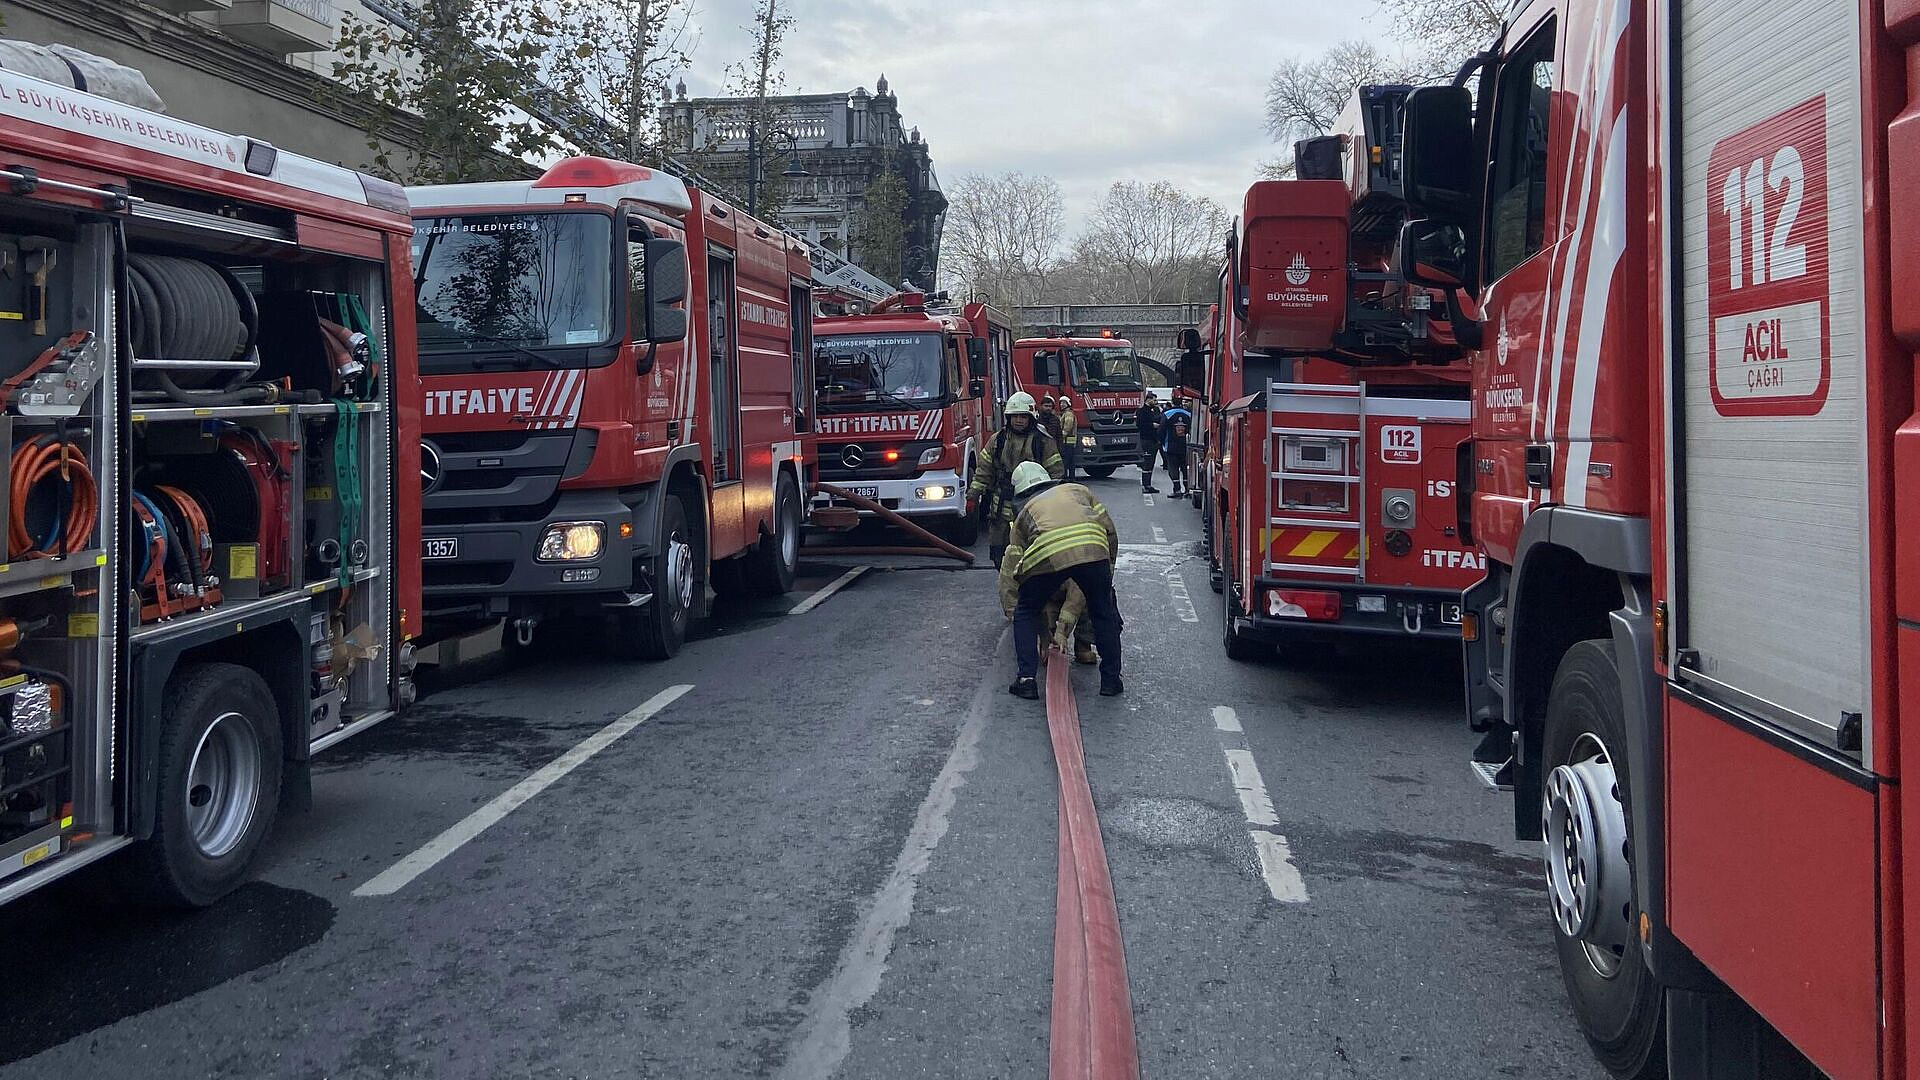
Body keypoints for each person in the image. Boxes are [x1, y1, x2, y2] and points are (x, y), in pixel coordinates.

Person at [1002, 461, 1124, 699]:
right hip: (1093, 549)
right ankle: (1110, 680)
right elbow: (1109, 530)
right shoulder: (1078, 490)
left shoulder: (1024, 513)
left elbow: (1017, 569)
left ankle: (1026, 680)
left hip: (1048, 553)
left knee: (1026, 610)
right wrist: (1106, 569)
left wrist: (1041, 629)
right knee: (1103, 611)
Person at [967, 391, 1064, 567]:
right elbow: (984, 470)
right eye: (1015, 416)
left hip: (1032, 503)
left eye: (1023, 416)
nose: (1019, 420)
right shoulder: (999, 440)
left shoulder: (1042, 441)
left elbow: (1055, 474)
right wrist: (973, 494)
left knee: (1031, 549)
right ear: (1008, 418)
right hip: (1001, 505)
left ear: (1031, 418)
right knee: (999, 552)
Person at [1160, 402, 1192, 498]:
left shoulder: (1167, 414)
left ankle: (1177, 489)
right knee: (1185, 468)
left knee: (1173, 468)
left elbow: (1161, 430)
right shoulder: (1189, 414)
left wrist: (1162, 443)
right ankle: (1187, 489)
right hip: (1185, 446)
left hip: (1171, 446)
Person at [1135, 394, 1165, 493]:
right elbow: (1140, 424)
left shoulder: (1154, 410)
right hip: (1146, 440)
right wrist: (1152, 425)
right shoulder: (1142, 411)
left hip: (1154, 440)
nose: (1155, 402)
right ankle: (1146, 485)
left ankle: (1148, 485)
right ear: (1148, 400)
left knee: (1151, 463)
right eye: (1154, 400)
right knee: (1147, 463)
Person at [1056, 396, 1079, 479]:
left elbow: (1067, 428)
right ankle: (1071, 477)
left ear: (1068, 404)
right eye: (1061, 403)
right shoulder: (1066, 413)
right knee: (1071, 461)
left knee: (1066, 461)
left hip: (1067, 441)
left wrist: (1059, 437)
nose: (1062, 405)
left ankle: (1065, 477)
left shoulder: (1068, 414)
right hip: (1069, 441)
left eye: (1064, 403)